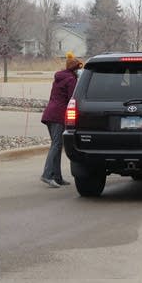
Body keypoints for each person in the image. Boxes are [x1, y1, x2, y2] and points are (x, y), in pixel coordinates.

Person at [40, 51, 83, 187]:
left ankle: (57, 177)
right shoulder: (71, 80)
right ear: (75, 69)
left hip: (49, 114)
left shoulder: (59, 77)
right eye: (79, 69)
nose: (80, 71)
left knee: (57, 145)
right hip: (58, 116)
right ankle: (47, 175)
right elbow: (73, 98)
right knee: (57, 145)